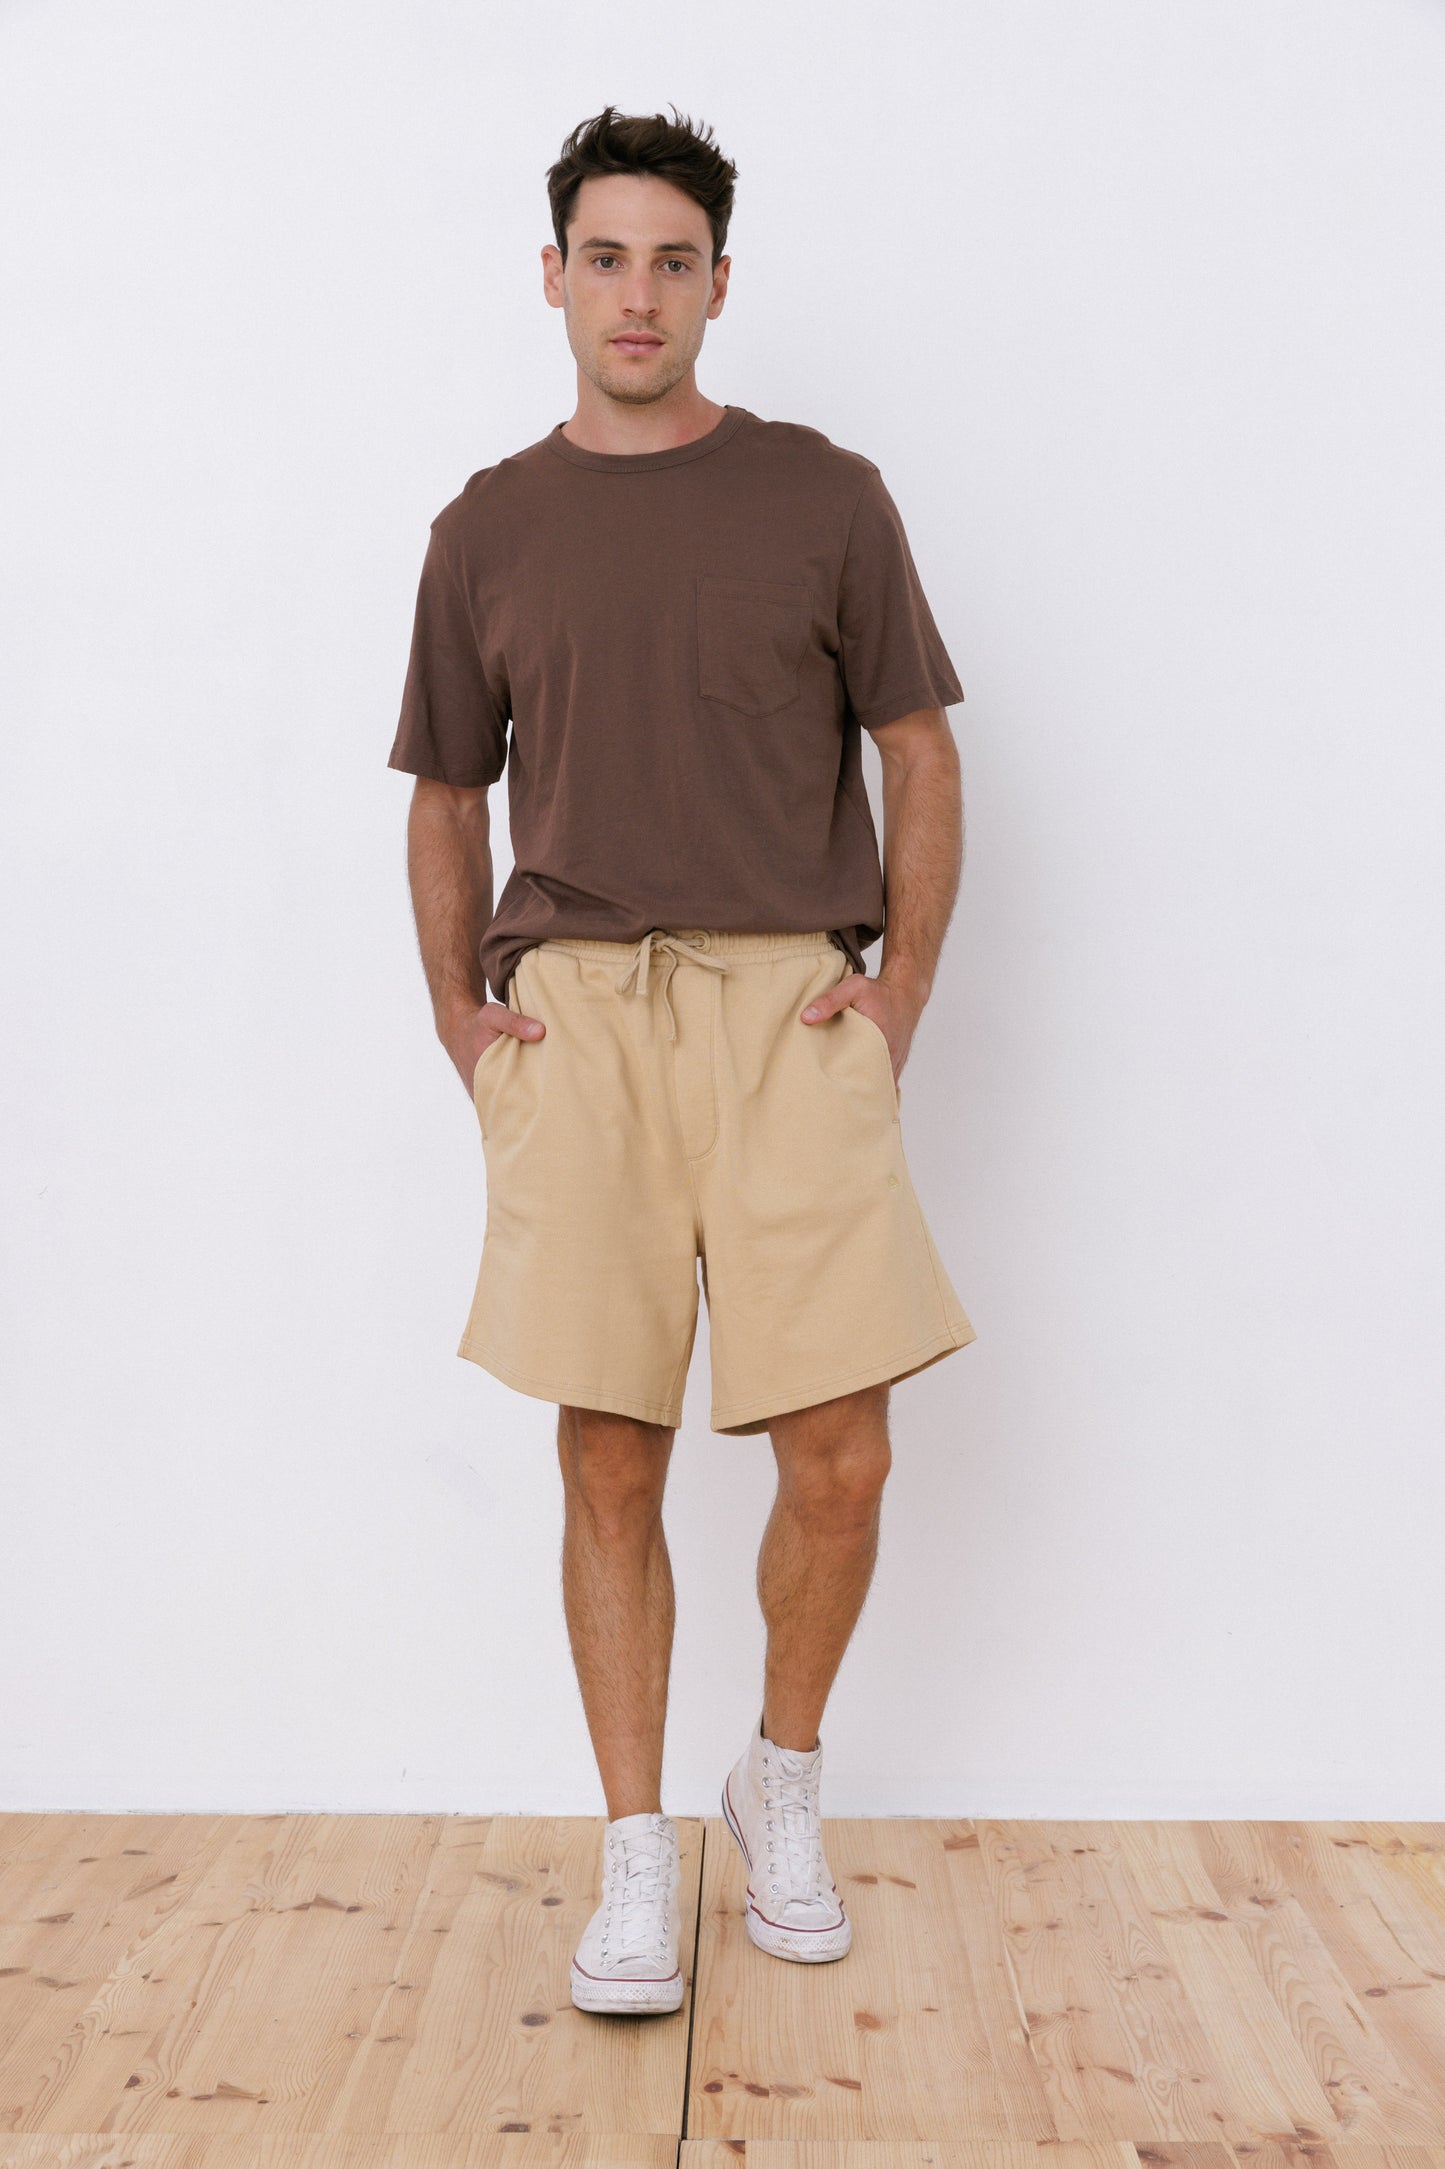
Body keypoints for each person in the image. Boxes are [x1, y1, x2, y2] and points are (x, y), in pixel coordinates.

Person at [387, 104, 977, 2018]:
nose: (635, 294)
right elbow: (444, 794)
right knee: (608, 1454)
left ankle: (775, 1782)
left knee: (842, 1453)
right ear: (551, 276)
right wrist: (463, 1022)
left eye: (671, 261)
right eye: (604, 257)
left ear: (720, 283)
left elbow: (918, 751)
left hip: (790, 1006)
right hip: (580, 1012)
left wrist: (898, 989)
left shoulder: (824, 496)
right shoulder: (486, 526)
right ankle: (635, 1848)